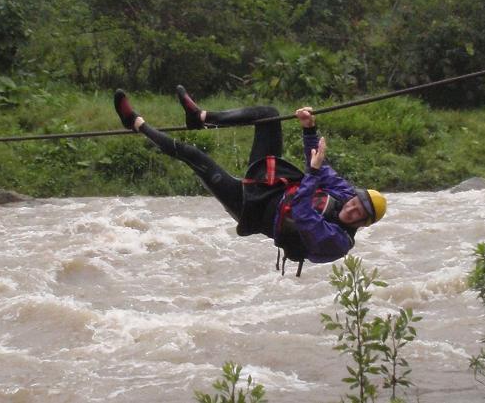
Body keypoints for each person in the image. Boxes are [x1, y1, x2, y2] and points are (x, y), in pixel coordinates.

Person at [113, 86, 387, 276]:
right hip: (269, 186)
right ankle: (200, 117)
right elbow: (321, 167)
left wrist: (313, 173)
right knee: (267, 113)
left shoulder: (337, 242)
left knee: (193, 155)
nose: (351, 209)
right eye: (355, 203)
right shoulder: (347, 194)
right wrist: (309, 129)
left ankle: (135, 123)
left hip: (251, 210)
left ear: (363, 224)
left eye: (358, 214)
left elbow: (303, 213)